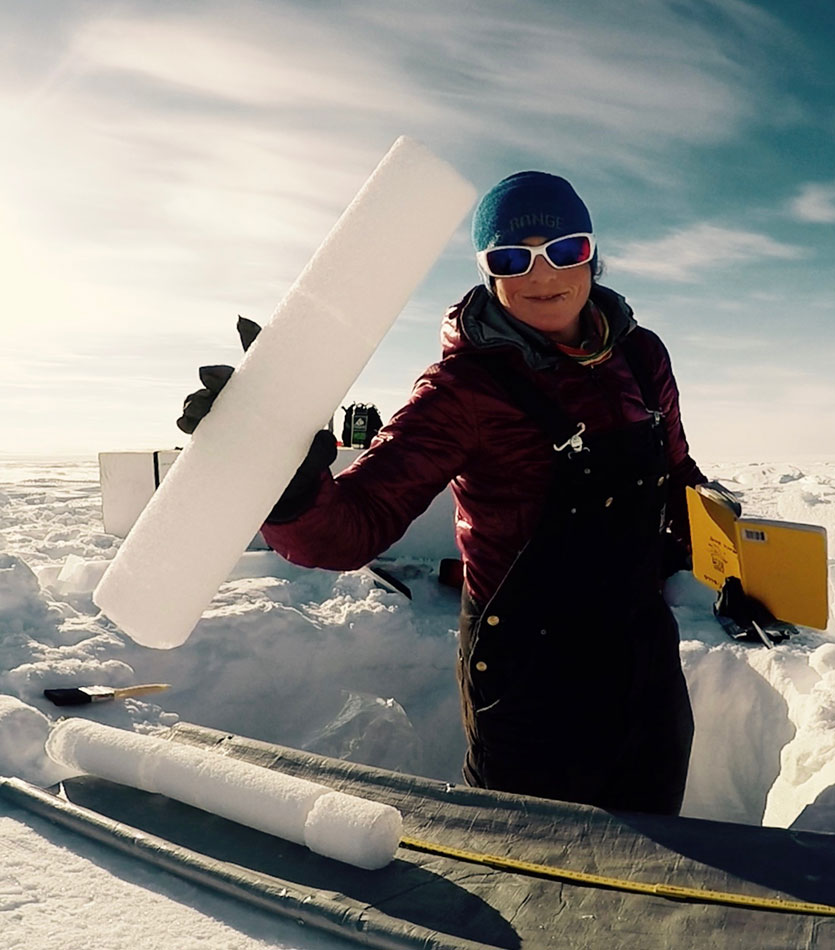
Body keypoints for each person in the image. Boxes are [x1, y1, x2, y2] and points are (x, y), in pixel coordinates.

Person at [179, 171, 704, 815]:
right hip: (529, 672)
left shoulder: (643, 358)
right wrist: (287, 487)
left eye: (565, 249)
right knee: (531, 857)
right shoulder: (462, 390)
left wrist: (734, 554)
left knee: (662, 836)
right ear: (489, 273)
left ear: (592, 253)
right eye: (513, 258)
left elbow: (678, 479)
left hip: (642, 653)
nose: (544, 275)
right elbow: (354, 527)